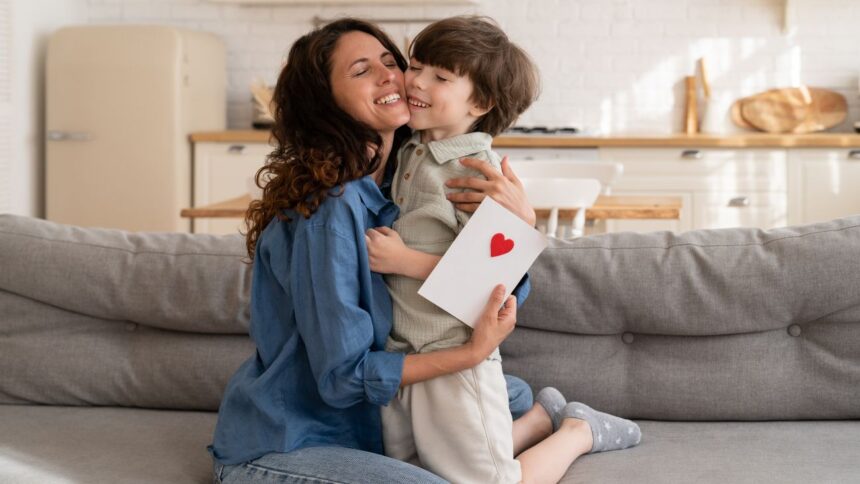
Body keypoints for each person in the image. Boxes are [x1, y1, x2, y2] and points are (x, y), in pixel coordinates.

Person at [208, 18, 545, 483]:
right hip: (297, 440)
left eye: (391, 61)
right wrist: (469, 356)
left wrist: (518, 224)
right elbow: (343, 378)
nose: (394, 76)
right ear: (326, 100)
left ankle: (529, 425)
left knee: (513, 393)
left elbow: (498, 297)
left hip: (377, 418)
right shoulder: (332, 208)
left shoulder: (403, 182)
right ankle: (576, 432)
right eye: (361, 70)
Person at [364, 16, 641, 484]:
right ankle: (536, 419)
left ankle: (577, 431)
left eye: (441, 76)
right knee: (414, 471)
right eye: (416, 66)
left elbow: (486, 278)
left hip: (453, 350)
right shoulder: (411, 148)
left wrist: (404, 261)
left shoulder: (477, 174)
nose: (416, 81)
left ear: (482, 102)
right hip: (404, 350)